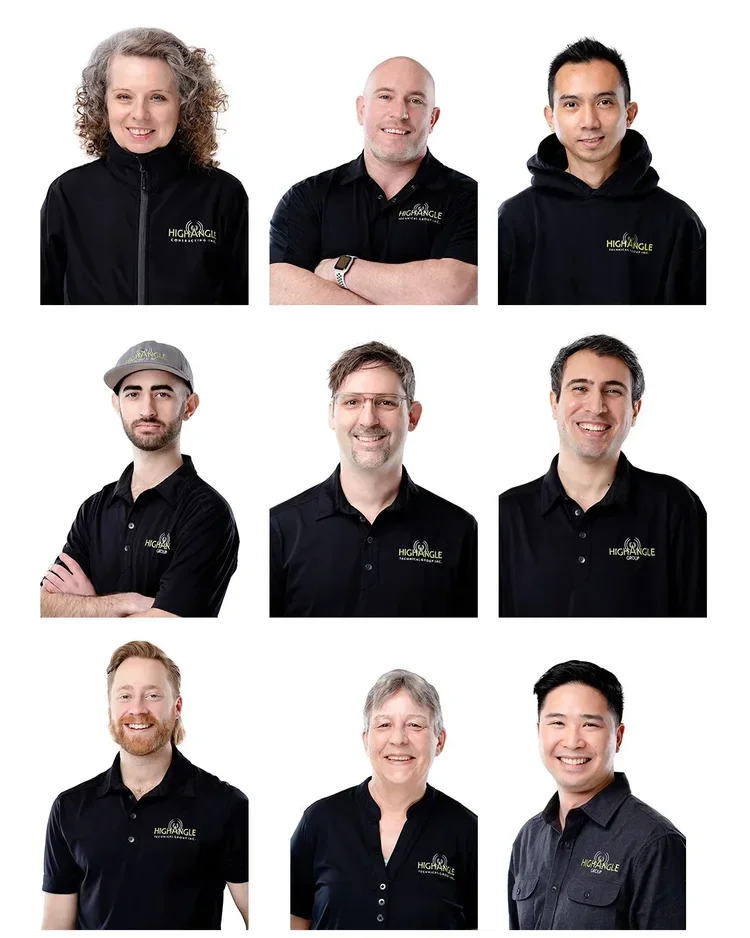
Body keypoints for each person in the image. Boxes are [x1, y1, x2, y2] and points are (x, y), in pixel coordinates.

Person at [41, 640, 248, 930]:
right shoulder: (70, 807)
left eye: (152, 695)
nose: (137, 709)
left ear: (177, 707)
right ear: (110, 707)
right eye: (124, 696)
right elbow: (56, 926)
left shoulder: (226, 805)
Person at [498, 334, 706, 616]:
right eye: (580, 388)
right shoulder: (505, 514)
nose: (596, 407)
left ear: (635, 410)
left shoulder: (676, 506)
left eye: (613, 391)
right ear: (554, 404)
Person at [41, 27, 248, 305]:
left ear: (184, 105)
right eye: (124, 96)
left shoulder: (224, 195)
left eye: (157, 97)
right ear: (104, 103)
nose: (139, 114)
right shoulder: (67, 194)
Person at [271, 341, 477, 616]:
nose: (368, 419)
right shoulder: (280, 528)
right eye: (352, 402)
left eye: (386, 402)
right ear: (332, 414)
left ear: (412, 416)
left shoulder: (459, 530)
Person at [498, 38, 705, 304]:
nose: (589, 122)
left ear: (629, 113)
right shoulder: (513, 219)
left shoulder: (677, 222)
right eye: (571, 104)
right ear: (551, 118)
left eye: (604, 102)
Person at [41, 341, 239, 617]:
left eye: (162, 394)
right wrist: (127, 603)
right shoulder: (94, 509)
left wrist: (87, 606)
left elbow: (166, 623)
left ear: (189, 406)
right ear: (117, 404)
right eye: (133, 394)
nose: (147, 410)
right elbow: (43, 605)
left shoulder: (207, 513)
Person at [270, 56, 477, 305]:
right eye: (385, 97)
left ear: (432, 119)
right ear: (361, 109)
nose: (399, 113)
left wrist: (340, 269)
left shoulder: (470, 198)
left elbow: (453, 288)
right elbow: (277, 285)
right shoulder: (307, 197)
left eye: (415, 101)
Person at [291, 669, 477, 929]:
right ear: (366, 740)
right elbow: (295, 920)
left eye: (414, 725)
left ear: (439, 741)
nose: (398, 739)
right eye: (384, 725)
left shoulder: (468, 831)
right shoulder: (320, 821)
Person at [509, 660, 685, 929]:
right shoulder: (528, 839)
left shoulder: (656, 845)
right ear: (539, 732)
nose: (572, 741)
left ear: (619, 736)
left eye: (590, 725)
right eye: (557, 722)